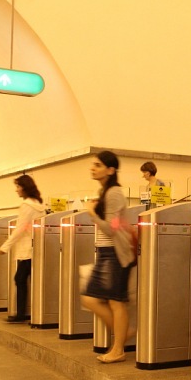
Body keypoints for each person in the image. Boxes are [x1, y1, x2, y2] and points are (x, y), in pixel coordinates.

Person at [80, 151, 135, 364]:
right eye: (93, 164)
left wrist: (92, 213)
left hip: (115, 253)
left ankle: (118, 349)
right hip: (106, 252)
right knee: (90, 298)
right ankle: (123, 333)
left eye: (98, 165)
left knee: (115, 302)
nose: (92, 168)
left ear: (110, 170)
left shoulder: (113, 193)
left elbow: (111, 229)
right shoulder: (105, 191)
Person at [0, 175, 46, 323]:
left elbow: (20, 228)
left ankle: (21, 314)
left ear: (25, 188)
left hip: (27, 250)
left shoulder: (27, 205)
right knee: (29, 280)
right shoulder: (39, 204)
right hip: (36, 248)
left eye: (18, 187)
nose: (16, 190)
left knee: (19, 279)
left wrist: (5, 246)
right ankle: (29, 312)